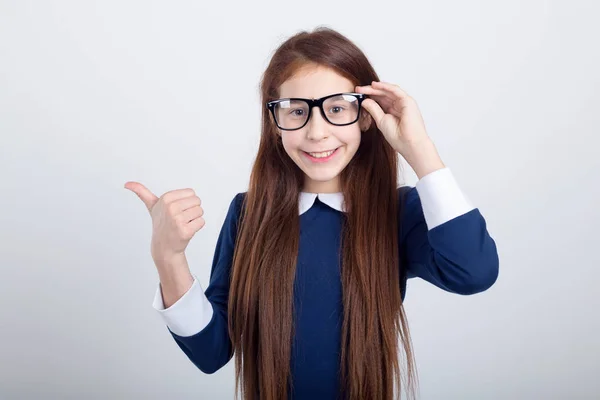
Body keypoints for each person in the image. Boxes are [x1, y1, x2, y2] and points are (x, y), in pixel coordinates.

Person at [125, 26, 499, 400]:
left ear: (366, 116)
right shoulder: (248, 213)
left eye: (337, 108)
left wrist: (418, 149)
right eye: (297, 111)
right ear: (275, 123)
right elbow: (211, 352)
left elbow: (474, 272)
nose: (317, 132)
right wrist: (168, 257)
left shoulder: (397, 211)